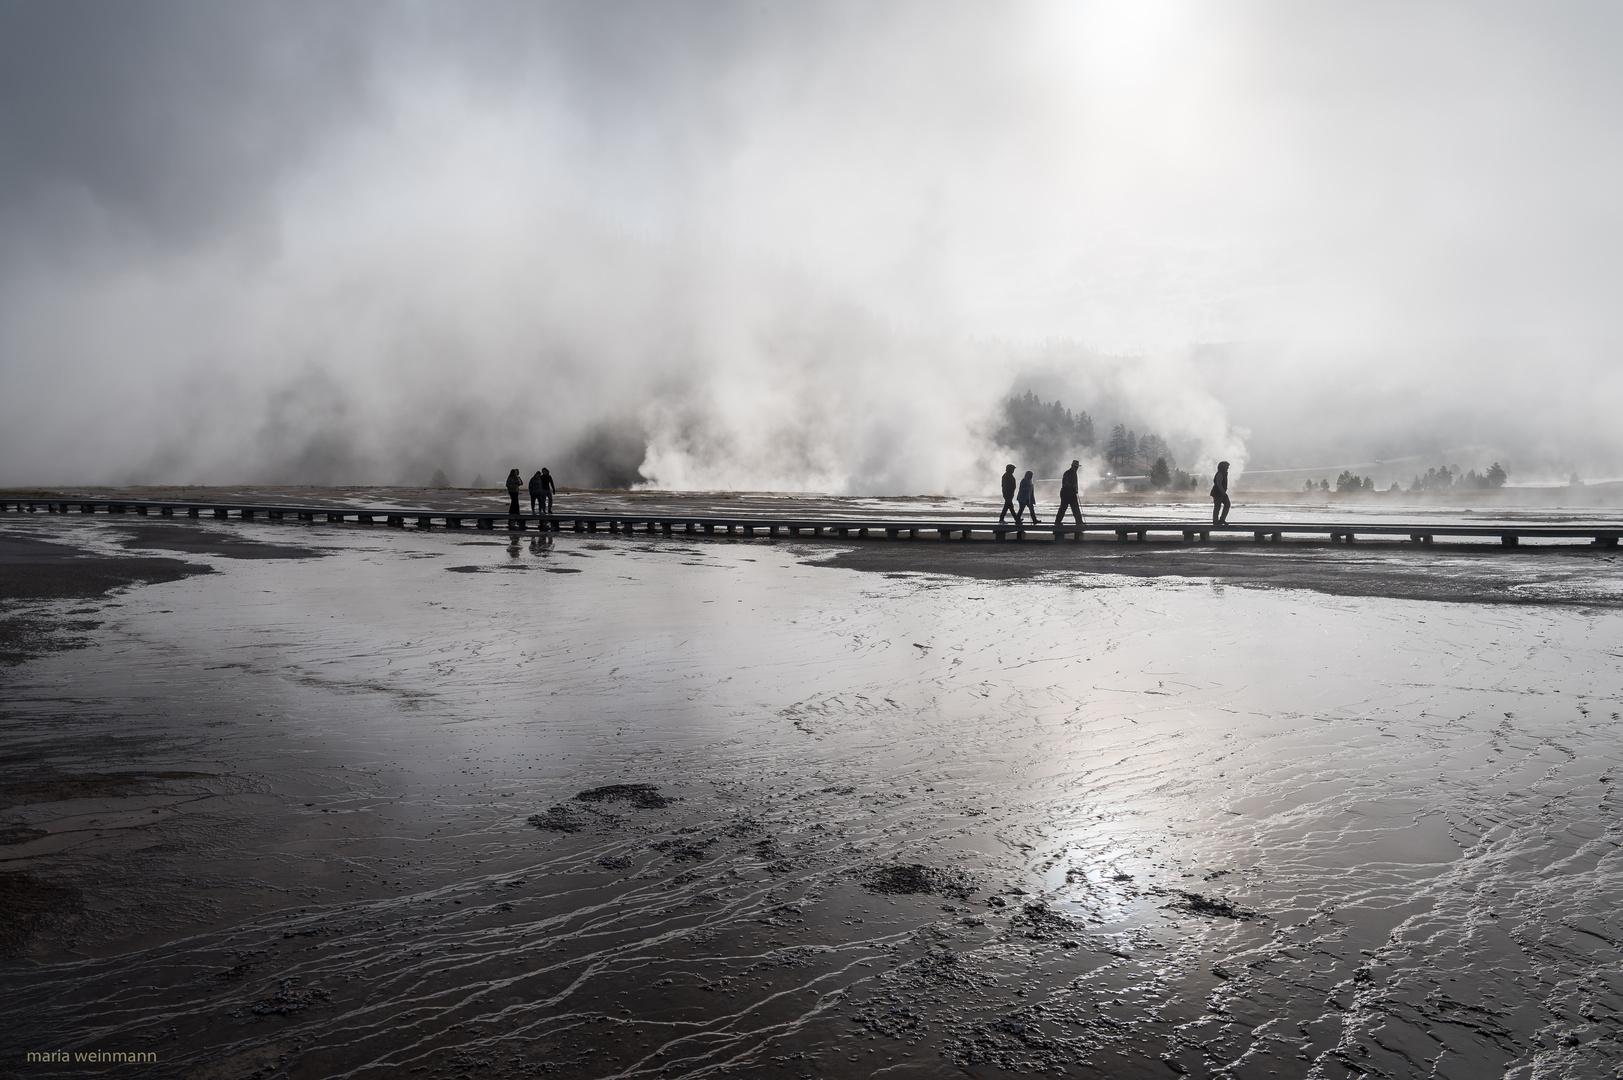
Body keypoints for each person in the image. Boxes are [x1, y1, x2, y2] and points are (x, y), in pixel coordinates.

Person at [1055, 459, 1083, 525]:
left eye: (1077, 467)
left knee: (1075, 508)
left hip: (1072, 493)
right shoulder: (1067, 473)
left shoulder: (1074, 473)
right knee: (1063, 508)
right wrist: (1072, 486)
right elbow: (1064, 483)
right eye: (1076, 467)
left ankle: (1079, 522)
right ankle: (1057, 522)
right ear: (1072, 466)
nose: (1077, 468)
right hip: (1066, 493)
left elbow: (1075, 483)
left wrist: (1076, 489)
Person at [1211, 460, 1231, 525]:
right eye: (1227, 467)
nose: (1228, 468)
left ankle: (1222, 519)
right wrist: (1224, 493)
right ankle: (1215, 521)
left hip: (1221, 493)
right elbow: (1219, 484)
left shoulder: (1224, 474)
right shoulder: (1220, 474)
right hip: (1217, 493)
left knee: (1227, 504)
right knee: (1217, 506)